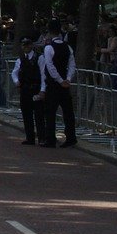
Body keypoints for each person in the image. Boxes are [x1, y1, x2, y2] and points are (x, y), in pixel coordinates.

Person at [41, 19, 77, 147]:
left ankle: (50, 138)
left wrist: (60, 80)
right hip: (65, 83)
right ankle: (71, 137)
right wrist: (68, 79)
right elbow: (72, 65)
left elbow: (50, 67)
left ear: (49, 32)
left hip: (53, 84)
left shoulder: (49, 47)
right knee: (68, 112)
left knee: (50, 112)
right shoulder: (68, 47)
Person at [11, 37, 47, 145]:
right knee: (26, 114)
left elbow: (43, 74)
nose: (26, 47)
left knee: (39, 115)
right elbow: (14, 72)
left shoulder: (39, 58)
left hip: (36, 88)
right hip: (25, 89)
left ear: (31, 45)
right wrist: (16, 81)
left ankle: (42, 138)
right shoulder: (20, 59)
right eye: (23, 45)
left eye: (27, 45)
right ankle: (30, 137)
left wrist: (42, 90)